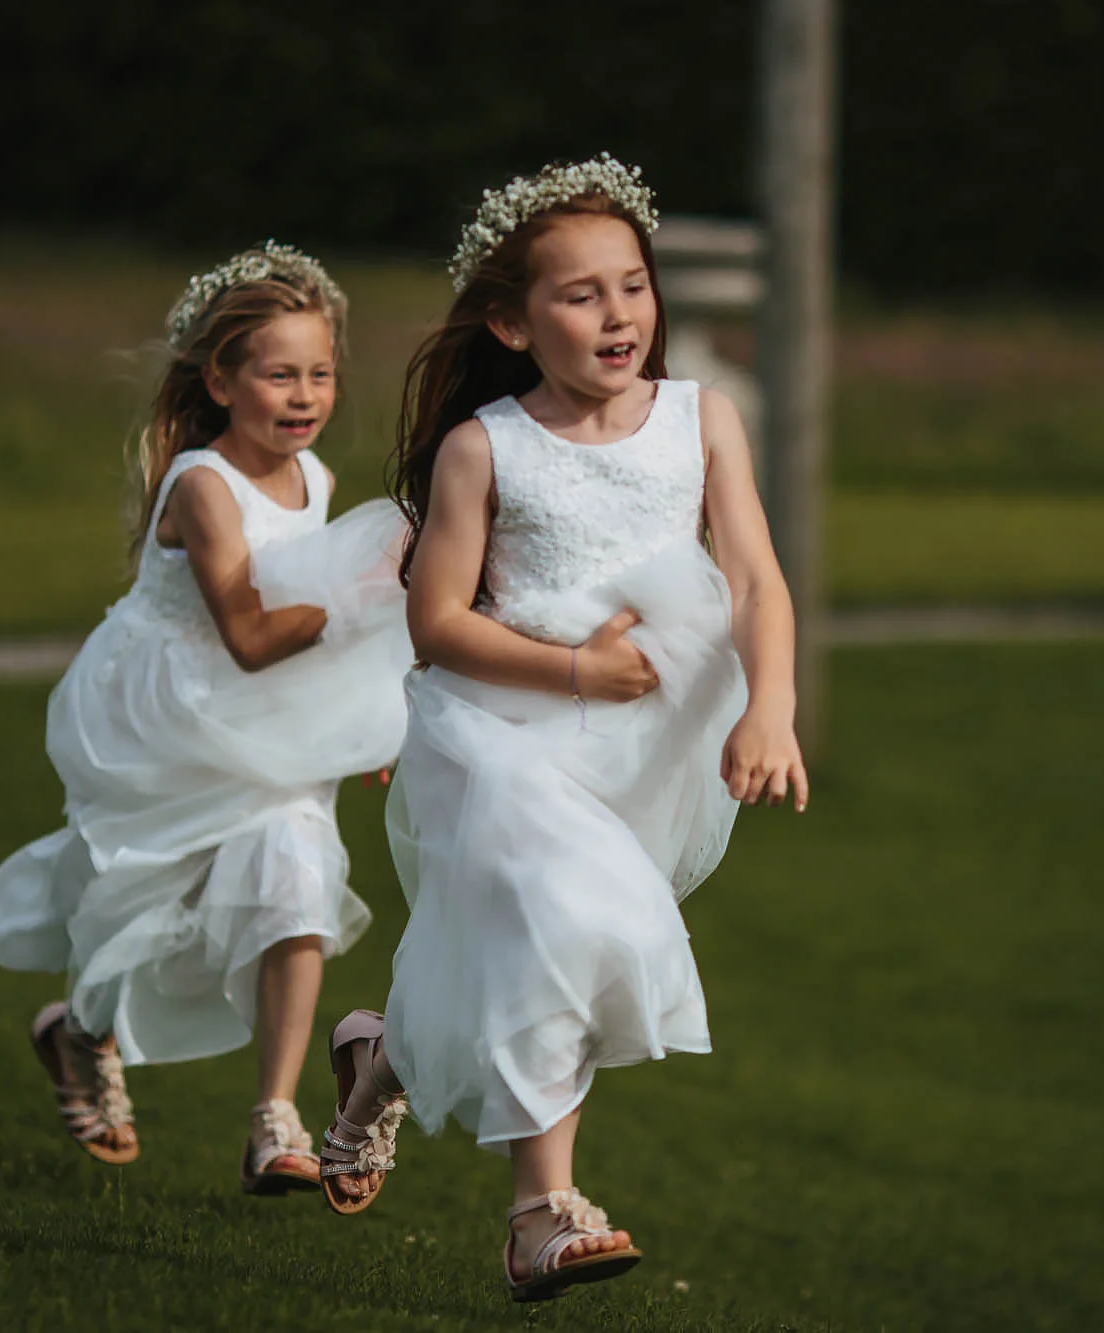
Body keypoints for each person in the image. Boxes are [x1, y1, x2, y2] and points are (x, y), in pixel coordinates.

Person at [317, 157, 808, 1303]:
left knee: (548, 954)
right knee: (576, 922)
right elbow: (436, 624)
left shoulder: (702, 417)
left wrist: (768, 706)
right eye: (581, 295)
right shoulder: (484, 446)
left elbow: (755, 581)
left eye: (632, 286)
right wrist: (577, 666)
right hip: (498, 728)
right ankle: (540, 1212)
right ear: (510, 319)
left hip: (646, 744)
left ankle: (375, 1059)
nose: (618, 315)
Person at [0, 242, 412, 1195]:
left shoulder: (322, 483)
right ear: (220, 379)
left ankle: (276, 1117)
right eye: (278, 374)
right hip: (172, 721)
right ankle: (83, 1033)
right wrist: (375, 592)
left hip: (275, 728)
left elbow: (325, 636)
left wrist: (368, 719)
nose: (303, 395)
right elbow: (253, 636)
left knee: (297, 888)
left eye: (321, 373)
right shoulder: (204, 487)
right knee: (145, 904)